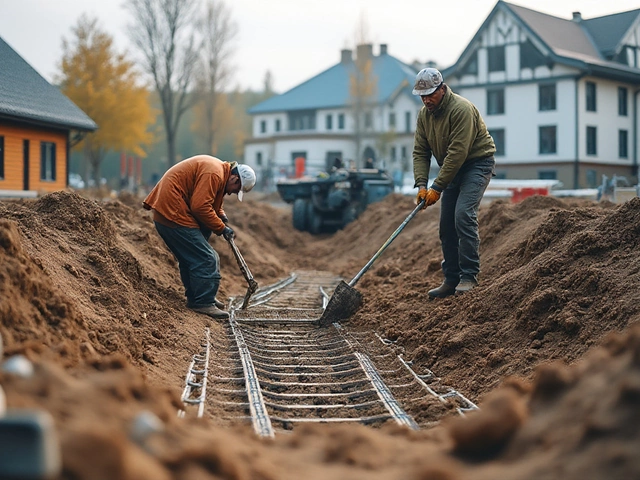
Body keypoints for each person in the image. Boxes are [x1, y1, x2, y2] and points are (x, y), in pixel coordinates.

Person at [411, 67, 496, 298]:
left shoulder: (461, 109)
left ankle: (469, 276)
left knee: (463, 215)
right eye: (422, 96)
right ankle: (452, 279)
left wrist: (437, 187)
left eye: (430, 94)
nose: (426, 100)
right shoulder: (424, 116)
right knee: (446, 226)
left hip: (476, 165)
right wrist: (421, 185)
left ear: (442, 89)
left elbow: (458, 153)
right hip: (452, 171)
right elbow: (420, 152)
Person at [143, 155, 256, 319]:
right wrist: (221, 228)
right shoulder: (215, 174)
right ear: (234, 177)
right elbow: (200, 206)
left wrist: (221, 217)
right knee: (207, 258)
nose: (232, 193)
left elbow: (211, 199)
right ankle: (203, 302)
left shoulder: (219, 172)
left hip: (172, 211)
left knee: (192, 256)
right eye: (235, 188)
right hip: (173, 213)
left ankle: (198, 296)